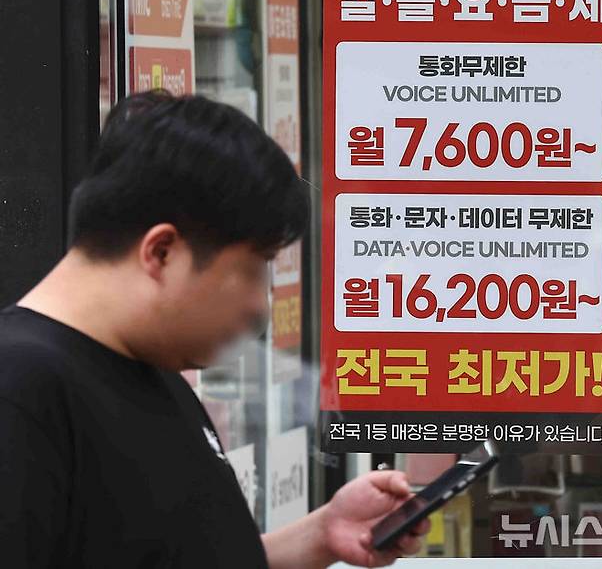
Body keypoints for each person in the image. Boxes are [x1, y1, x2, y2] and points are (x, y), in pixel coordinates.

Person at [0, 91, 429, 568]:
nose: (259, 305)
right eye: (253, 267)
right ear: (162, 252)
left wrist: (323, 533)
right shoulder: (21, 392)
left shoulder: (151, 366)